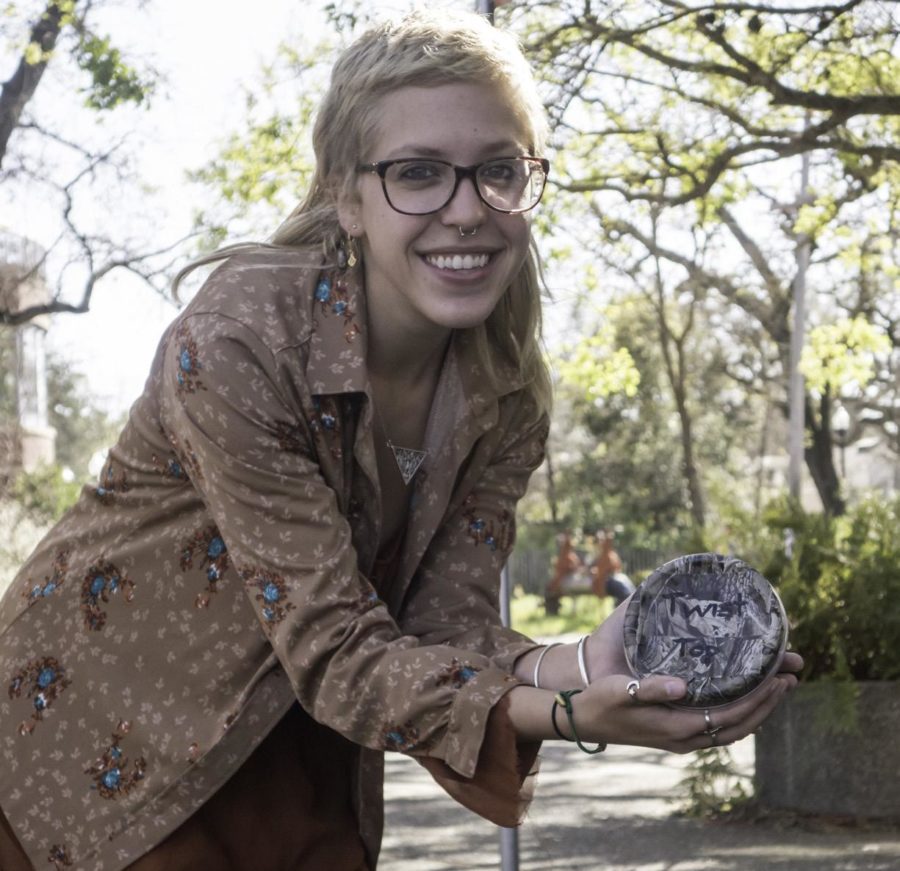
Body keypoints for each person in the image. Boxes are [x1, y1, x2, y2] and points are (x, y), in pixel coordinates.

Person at [0, 11, 802, 871]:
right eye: (417, 173)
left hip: (301, 764)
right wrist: (567, 715)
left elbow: (440, 625)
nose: (466, 211)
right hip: (89, 756)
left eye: (499, 171)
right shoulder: (241, 339)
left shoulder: (507, 394)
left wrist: (581, 662)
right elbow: (337, 643)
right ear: (346, 195)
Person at [590, 528, 635, 605]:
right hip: (607, 581)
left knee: (630, 589)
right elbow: (597, 571)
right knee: (623, 591)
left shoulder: (612, 554)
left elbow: (617, 567)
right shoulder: (599, 555)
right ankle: (621, 609)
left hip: (616, 578)